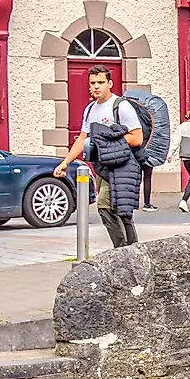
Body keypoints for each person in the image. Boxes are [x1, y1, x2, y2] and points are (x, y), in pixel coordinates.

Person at [53, 66, 144, 248]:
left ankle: (122, 250)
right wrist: (65, 162)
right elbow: (82, 138)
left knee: (105, 206)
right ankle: (133, 250)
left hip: (122, 166)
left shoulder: (121, 106)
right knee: (120, 210)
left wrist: (108, 144)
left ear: (110, 83)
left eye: (100, 82)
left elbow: (137, 138)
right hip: (102, 167)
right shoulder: (90, 109)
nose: (96, 87)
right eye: (93, 83)